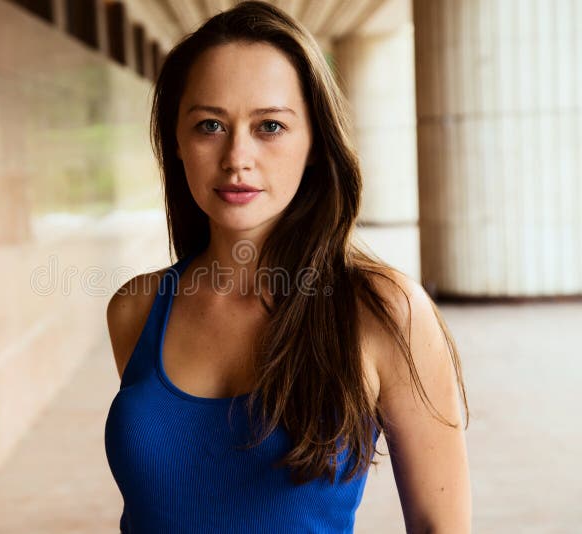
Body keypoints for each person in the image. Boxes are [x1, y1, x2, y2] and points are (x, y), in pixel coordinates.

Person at [104, 2, 471, 532]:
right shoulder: (136, 309)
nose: (237, 157)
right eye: (209, 125)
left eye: (270, 126)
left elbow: (442, 526)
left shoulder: (382, 310)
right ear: (177, 143)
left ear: (316, 143)